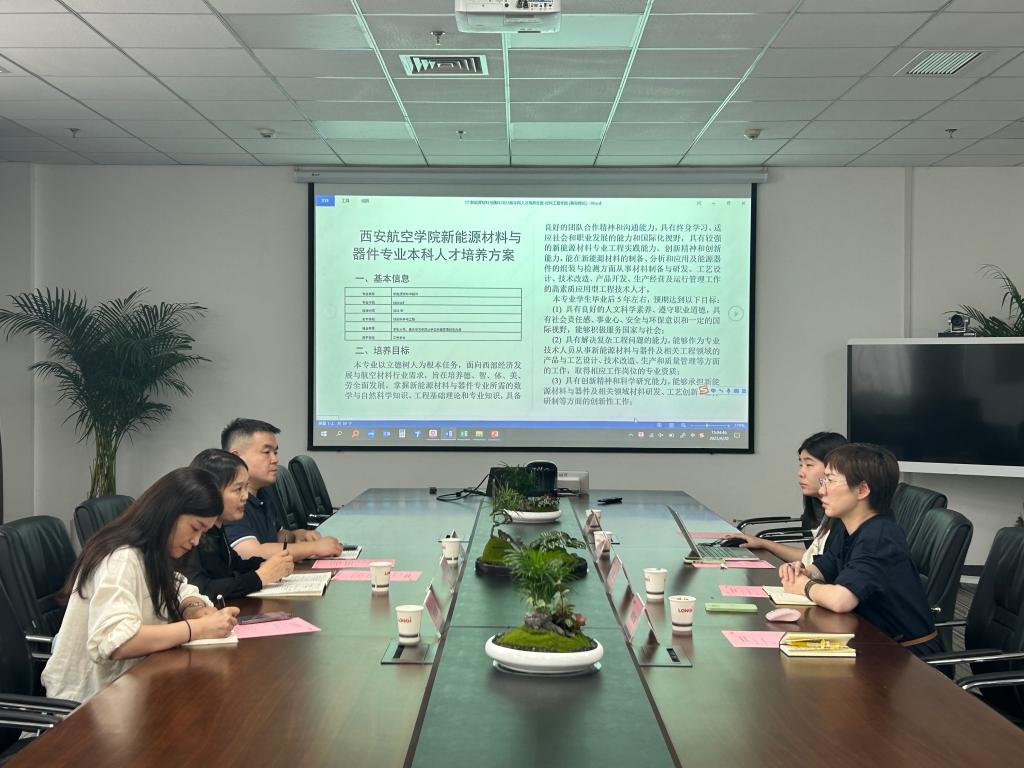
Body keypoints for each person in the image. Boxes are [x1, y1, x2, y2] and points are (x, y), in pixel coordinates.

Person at [42, 468, 240, 702]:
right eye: (195, 528)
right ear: (169, 513)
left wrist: (193, 607)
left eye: (203, 533)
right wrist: (196, 628)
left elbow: (178, 587)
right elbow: (117, 642)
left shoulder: (152, 551)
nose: (196, 541)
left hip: (134, 687)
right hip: (89, 703)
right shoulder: (121, 557)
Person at [778, 443, 942, 656]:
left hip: (910, 659)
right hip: (875, 642)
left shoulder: (880, 536)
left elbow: (841, 600)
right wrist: (802, 571)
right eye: (823, 480)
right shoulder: (850, 526)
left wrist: (804, 586)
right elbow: (828, 565)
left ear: (862, 490)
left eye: (830, 480)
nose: (822, 490)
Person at [177, 449, 294, 600]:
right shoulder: (192, 535)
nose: (245, 496)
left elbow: (233, 565)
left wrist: (269, 564)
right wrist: (261, 576)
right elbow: (201, 589)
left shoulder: (218, 527)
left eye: (246, 487)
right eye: (238, 489)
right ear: (210, 492)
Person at [220, 418, 342, 560]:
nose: (275, 459)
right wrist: (313, 548)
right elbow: (249, 552)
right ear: (236, 457)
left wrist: (296, 535)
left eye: (275, 452)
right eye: (266, 452)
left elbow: (274, 535)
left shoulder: (264, 491)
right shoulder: (229, 500)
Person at [724, 432, 848, 566]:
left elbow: (826, 566)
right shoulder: (824, 511)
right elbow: (813, 559)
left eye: (809, 465)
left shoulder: (847, 520)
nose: (800, 473)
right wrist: (763, 543)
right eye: (801, 464)